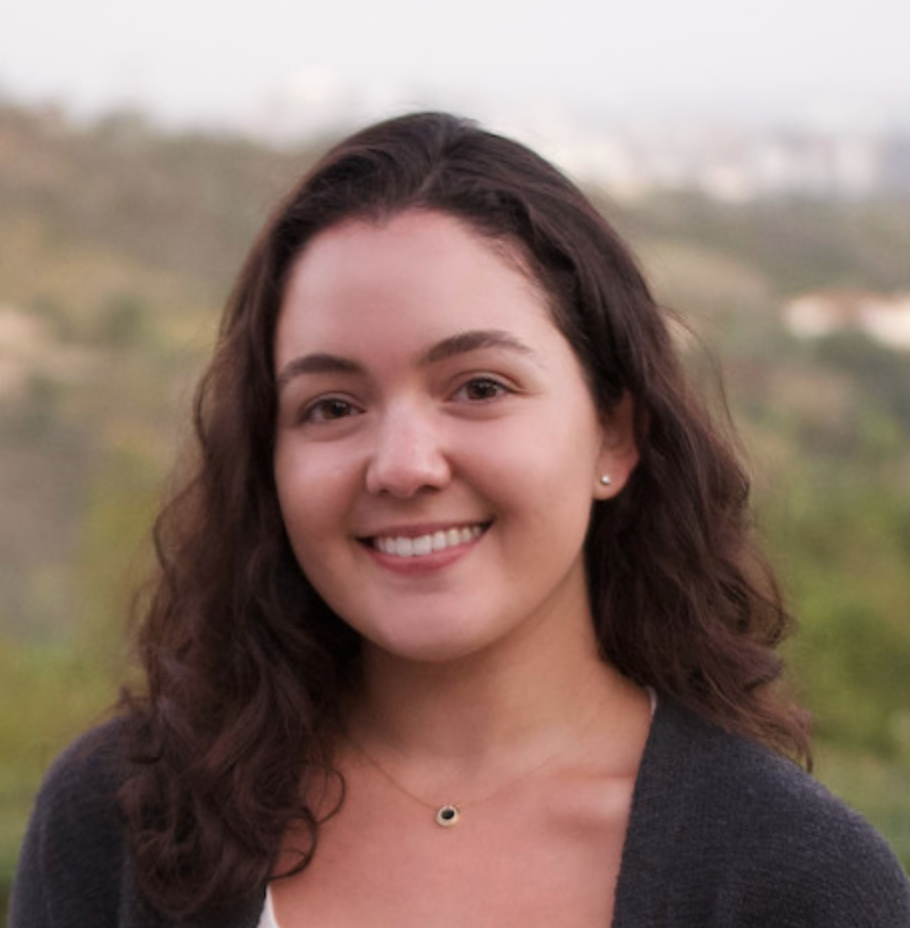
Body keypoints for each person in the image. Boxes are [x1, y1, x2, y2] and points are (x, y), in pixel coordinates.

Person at [9, 112, 910, 928]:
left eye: (479, 388)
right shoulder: (121, 820)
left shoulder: (800, 886)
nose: (403, 465)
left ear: (616, 434)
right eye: (331, 406)